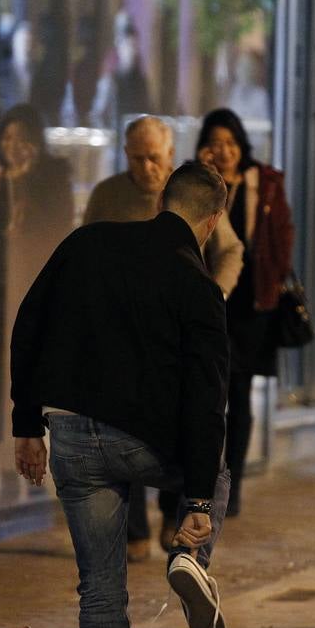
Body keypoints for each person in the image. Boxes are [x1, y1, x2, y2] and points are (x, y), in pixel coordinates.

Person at [10, 162, 232, 628]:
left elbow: (29, 324)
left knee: (101, 593)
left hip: (75, 438)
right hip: (148, 442)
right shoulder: (198, 284)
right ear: (213, 220)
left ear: (162, 199)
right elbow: (207, 400)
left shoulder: (88, 243)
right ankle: (190, 555)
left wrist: (26, 423)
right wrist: (199, 502)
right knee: (217, 470)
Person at [83, 115, 243, 561]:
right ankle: (135, 531)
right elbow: (84, 252)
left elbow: (229, 247)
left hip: (176, 329)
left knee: (185, 421)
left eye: (153, 157)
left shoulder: (183, 194)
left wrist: (216, 293)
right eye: (136, 158)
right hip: (121, 333)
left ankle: (180, 520)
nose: (145, 167)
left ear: (170, 156)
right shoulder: (108, 195)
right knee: (121, 424)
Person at [191, 108, 296, 518]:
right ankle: (204, 478)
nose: (224, 151)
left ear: (241, 145)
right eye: (216, 143)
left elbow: (283, 233)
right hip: (210, 297)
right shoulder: (197, 182)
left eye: (230, 143)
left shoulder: (264, 181)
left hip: (252, 302)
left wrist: (275, 274)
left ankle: (229, 487)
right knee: (209, 393)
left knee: (239, 393)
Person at [0, 104, 74, 499]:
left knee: (35, 381)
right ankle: (6, 473)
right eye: (7, 139)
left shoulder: (52, 176)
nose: (13, 147)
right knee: (2, 383)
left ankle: (37, 467)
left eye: (23, 139)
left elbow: (58, 226)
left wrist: (26, 183)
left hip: (34, 287)